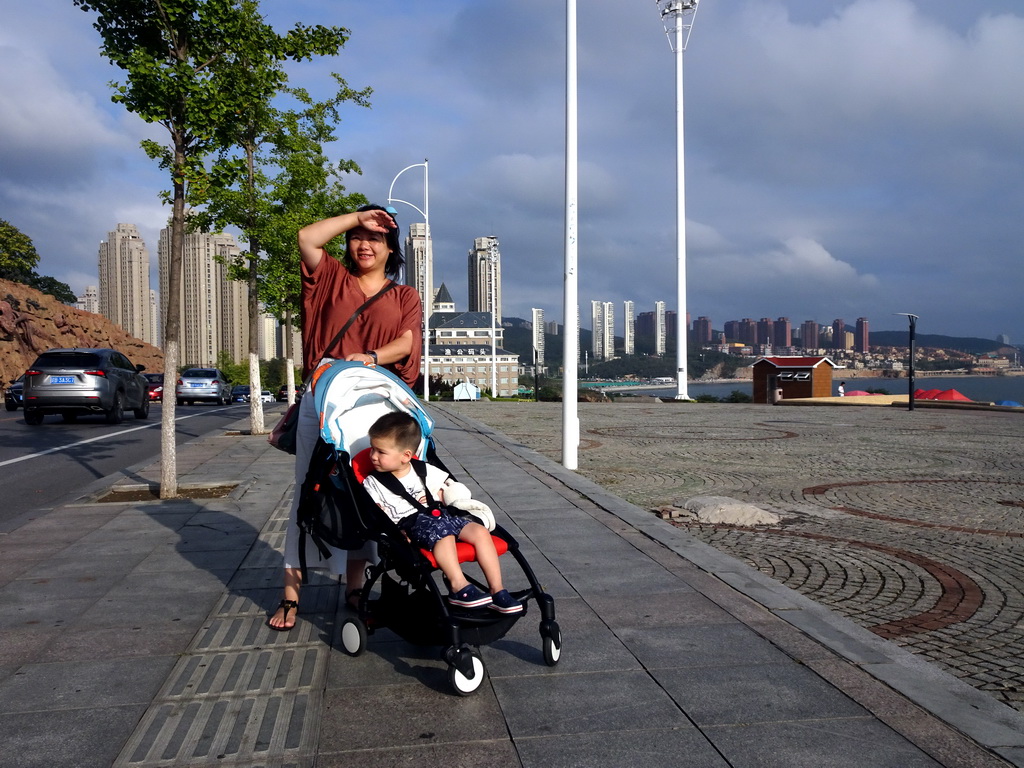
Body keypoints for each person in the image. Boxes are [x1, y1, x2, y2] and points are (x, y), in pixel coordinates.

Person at [269, 205, 422, 631]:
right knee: (307, 492)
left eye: (376, 238)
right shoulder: (332, 279)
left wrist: (371, 357)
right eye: (359, 237)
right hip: (322, 400)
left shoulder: (404, 296)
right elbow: (306, 237)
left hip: (374, 407)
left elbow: (408, 342)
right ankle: (290, 596)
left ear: (392, 249)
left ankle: (355, 591)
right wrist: (359, 217)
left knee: (364, 495)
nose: (365, 244)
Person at [361, 412, 523, 614]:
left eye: (380, 452)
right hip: (411, 525)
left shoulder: (423, 470)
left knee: (480, 532)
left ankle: (497, 590)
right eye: (372, 449)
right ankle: (459, 586)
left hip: (440, 516)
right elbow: (378, 513)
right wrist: (394, 534)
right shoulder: (373, 483)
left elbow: (447, 490)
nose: (373, 456)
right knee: (442, 532)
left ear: (406, 456)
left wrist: (456, 499)